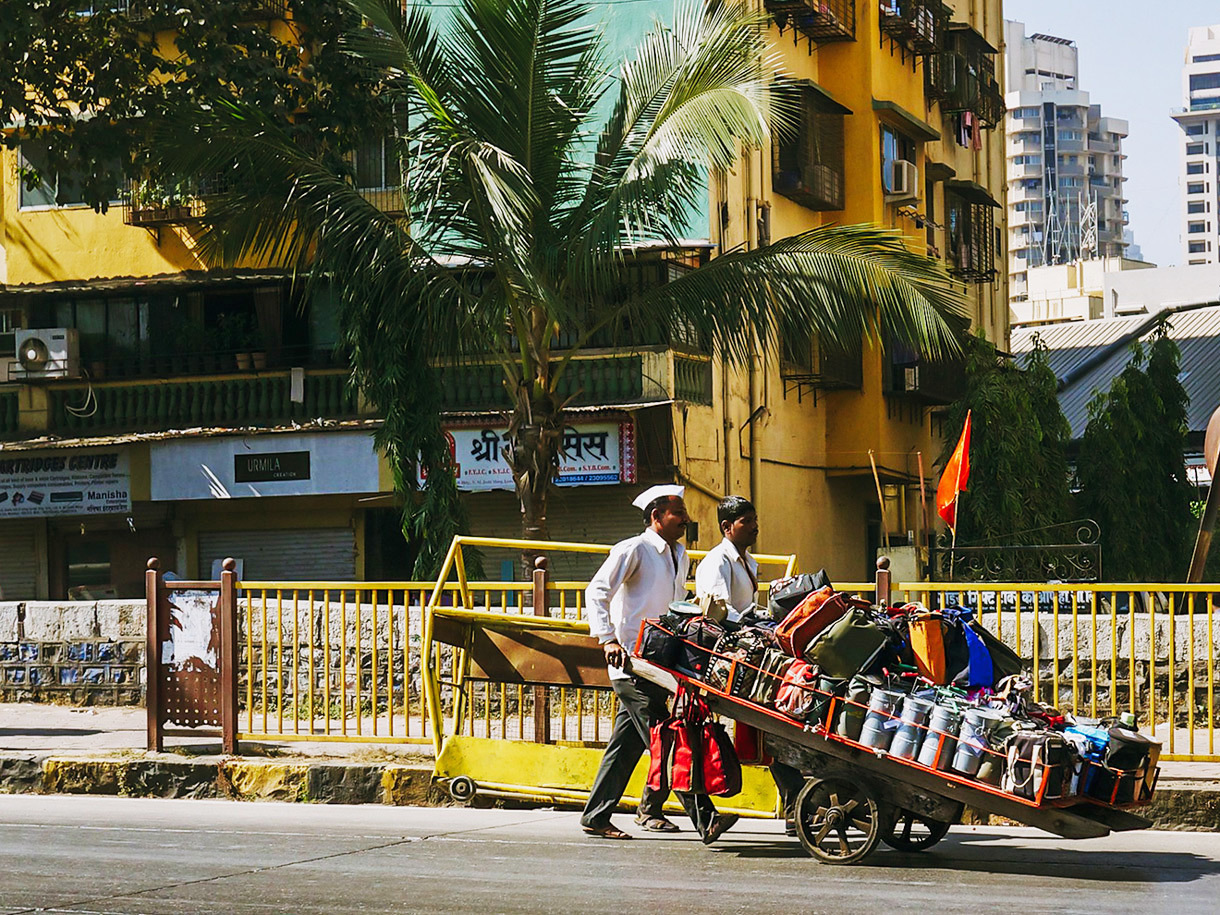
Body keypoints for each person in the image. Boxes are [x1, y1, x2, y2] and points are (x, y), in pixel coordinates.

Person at [580, 484, 738, 844]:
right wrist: (607, 639)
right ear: (656, 517)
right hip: (629, 663)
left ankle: (595, 815)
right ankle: (705, 817)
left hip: (658, 662)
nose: (685, 518)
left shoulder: (679, 554)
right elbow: (597, 591)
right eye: (677, 512)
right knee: (665, 741)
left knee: (626, 745)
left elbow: (674, 604)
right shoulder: (634, 549)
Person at [694, 495, 805, 833]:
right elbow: (718, 610)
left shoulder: (748, 561)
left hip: (751, 650)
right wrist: (752, 623)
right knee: (771, 726)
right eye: (747, 521)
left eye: (755, 519)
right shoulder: (717, 562)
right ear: (727, 527)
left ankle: (794, 803)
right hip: (732, 657)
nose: (755, 526)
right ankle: (796, 803)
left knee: (772, 726)